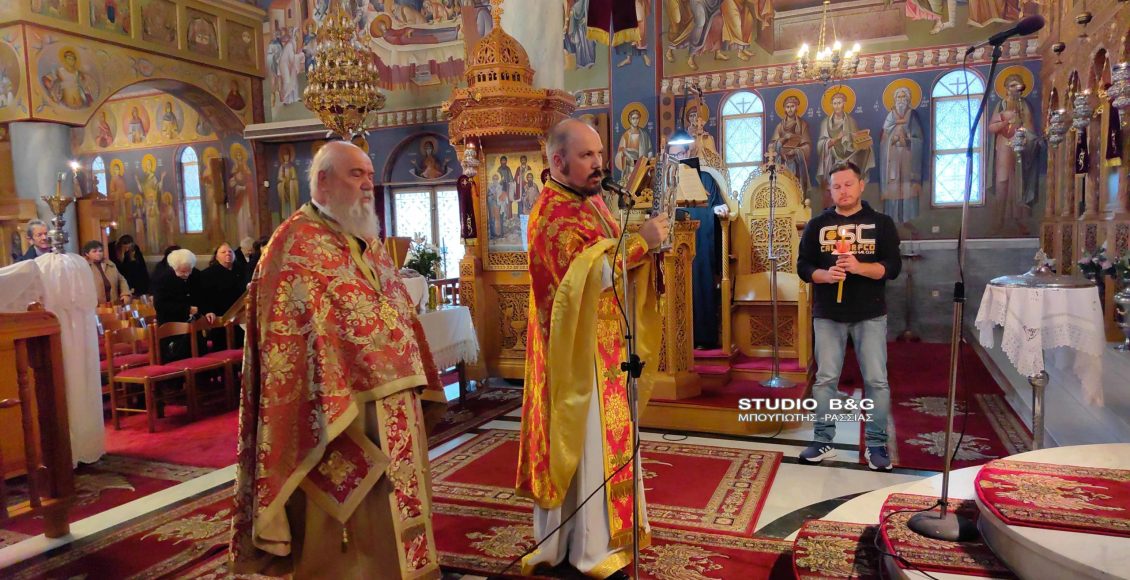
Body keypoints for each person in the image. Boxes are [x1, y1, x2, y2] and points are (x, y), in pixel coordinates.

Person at [230, 141, 445, 579]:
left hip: (394, 402)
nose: (368, 184)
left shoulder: (366, 240)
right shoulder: (293, 245)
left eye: (369, 174)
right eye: (356, 174)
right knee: (350, 522)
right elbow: (283, 339)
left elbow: (395, 310)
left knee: (398, 506)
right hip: (334, 413)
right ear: (323, 181)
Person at [517, 118, 669, 577]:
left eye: (600, 154)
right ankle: (587, 548)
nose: (599, 164)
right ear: (558, 161)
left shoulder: (592, 201)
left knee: (606, 447)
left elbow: (608, 257)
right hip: (575, 358)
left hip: (604, 349)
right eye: (587, 156)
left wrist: (640, 246)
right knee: (583, 450)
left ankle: (606, 539)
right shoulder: (552, 215)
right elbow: (584, 283)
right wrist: (643, 243)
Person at [796, 161, 902, 471]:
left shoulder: (881, 223)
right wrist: (824, 276)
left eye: (848, 184)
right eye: (836, 186)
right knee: (826, 379)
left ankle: (877, 444)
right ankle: (823, 440)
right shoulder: (817, 225)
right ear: (829, 191)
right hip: (828, 313)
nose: (842, 191)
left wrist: (859, 268)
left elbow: (892, 267)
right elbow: (803, 266)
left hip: (870, 312)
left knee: (876, 381)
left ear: (861, 185)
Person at [987, 74, 1040, 235]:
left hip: (1020, 146)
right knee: (1002, 181)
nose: (1015, 90)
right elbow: (992, 128)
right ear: (1006, 89)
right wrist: (1005, 120)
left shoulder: (1024, 106)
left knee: (1018, 183)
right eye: (1012, 86)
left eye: (1018, 86)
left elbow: (1030, 127)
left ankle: (1020, 221)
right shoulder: (1001, 105)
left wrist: (1024, 136)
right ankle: (998, 221)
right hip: (1003, 145)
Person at [151, 248, 208, 361]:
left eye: (189, 270)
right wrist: (187, 309)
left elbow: (203, 296)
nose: (186, 274)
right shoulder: (163, 279)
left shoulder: (196, 274)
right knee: (177, 357)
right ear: (174, 267)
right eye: (182, 272)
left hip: (193, 325)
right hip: (171, 326)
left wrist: (206, 310)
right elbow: (160, 305)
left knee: (199, 354)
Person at [879, 87, 925, 226]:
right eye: (898, 97)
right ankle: (891, 219)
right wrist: (891, 140)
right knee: (893, 186)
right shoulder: (890, 117)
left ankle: (908, 219)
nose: (900, 100)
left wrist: (908, 140)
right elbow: (884, 139)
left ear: (908, 99)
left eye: (903, 97)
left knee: (907, 188)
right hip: (892, 160)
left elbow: (919, 139)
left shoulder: (913, 116)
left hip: (908, 160)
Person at [199, 243, 245, 349]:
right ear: (216, 256)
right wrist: (208, 311)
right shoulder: (208, 274)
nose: (227, 254)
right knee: (223, 345)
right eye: (223, 252)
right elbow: (204, 296)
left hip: (241, 314)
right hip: (220, 316)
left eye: (230, 251)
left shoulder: (241, 270)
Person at [770, 95, 813, 194]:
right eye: (787, 107)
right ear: (785, 109)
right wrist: (784, 138)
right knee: (784, 187)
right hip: (782, 162)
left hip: (797, 162)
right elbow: (771, 146)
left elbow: (807, 146)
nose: (790, 109)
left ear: (797, 107)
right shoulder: (780, 127)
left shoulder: (802, 125)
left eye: (792, 106)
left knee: (796, 188)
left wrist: (796, 151)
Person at [82, 240, 131, 305]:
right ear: (87, 254)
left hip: (113, 303)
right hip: (95, 305)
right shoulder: (83, 267)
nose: (98, 253)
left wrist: (125, 293)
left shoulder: (110, 264)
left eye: (100, 251)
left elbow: (121, 279)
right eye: (94, 251)